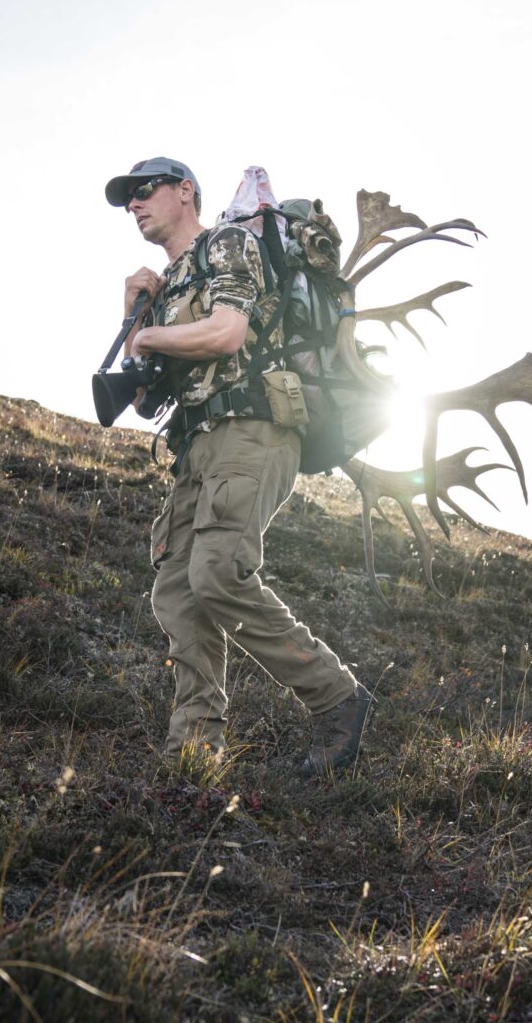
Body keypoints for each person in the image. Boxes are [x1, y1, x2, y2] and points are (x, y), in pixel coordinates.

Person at [104, 156, 372, 777]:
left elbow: (226, 332)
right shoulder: (166, 286)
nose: (135, 205)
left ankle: (336, 697)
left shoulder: (227, 244)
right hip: (196, 445)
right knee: (176, 594)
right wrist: (134, 317)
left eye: (145, 191)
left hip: (252, 428)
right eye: (127, 200)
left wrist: (149, 339)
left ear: (185, 193)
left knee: (219, 572)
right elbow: (144, 401)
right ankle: (194, 755)